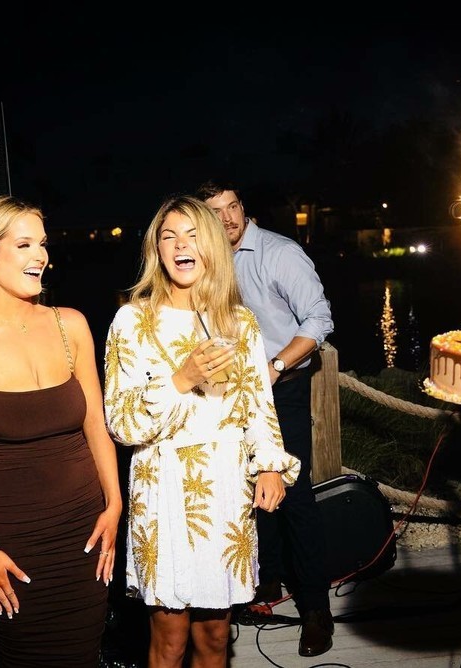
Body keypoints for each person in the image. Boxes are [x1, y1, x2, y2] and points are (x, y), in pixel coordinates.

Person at [103, 195, 300, 668]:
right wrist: (182, 378)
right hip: (163, 488)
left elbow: (258, 403)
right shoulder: (132, 321)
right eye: (169, 236)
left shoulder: (240, 321)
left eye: (192, 235)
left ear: (211, 246)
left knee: (214, 636)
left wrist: (270, 466)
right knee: (169, 640)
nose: (180, 245)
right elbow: (122, 423)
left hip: (226, 488)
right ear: (156, 249)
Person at [0, 195, 123, 667]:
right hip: (14, 539)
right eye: (23, 245)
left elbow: (96, 426)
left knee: (85, 652)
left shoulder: (71, 324)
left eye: (42, 243)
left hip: (86, 530)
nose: (41, 255)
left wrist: (115, 505)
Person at [196, 179, 336, 657]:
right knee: (246, 489)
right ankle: (265, 586)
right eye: (216, 211)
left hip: (282, 387)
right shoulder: (206, 260)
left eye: (233, 206)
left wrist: (274, 367)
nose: (228, 218)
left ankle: (316, 611)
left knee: (294, 495)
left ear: (243, 207)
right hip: (226, 393)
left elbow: (319, 319)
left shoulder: (279, 253)